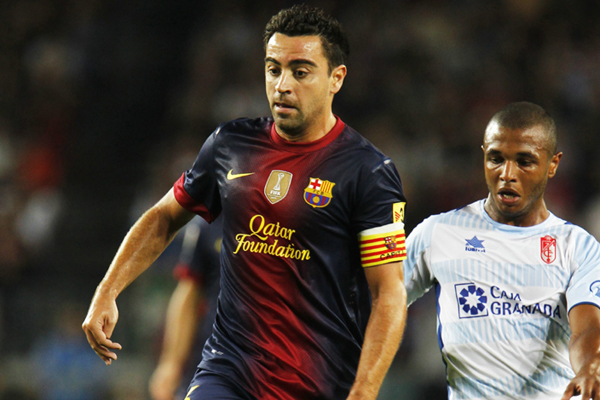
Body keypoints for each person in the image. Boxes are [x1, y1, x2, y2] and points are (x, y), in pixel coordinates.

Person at [82, 5, 408, 400]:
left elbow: (388, 293)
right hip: (228, 372)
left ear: (336, 78)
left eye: (300, 72)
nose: (282, 85)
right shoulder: (230, 145)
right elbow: (164, 217)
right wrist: (108, 289)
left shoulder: (368, 172)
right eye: (273, 69)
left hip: (318, 384)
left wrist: (364, 391)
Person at [404, 101, 600, 400]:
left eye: (525, 161)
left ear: (553, 164)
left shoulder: (577, 246)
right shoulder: (439, 233)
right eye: (496, 159)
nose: (507, 173)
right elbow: (380, 301)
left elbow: (587, 328)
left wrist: (589, 366)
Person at [148, 216, 222, 400]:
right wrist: (171, 363)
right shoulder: (209, 223)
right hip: (212, 358)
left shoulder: (291, 224)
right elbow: (187, 295)